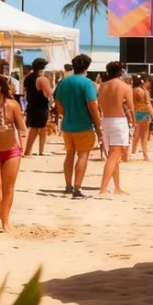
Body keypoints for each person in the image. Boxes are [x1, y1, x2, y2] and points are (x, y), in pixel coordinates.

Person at [53, 54, 101, 199]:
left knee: (69, 154)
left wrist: (65, 113)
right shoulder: (88, 83)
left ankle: (68, 185)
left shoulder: (64, 82)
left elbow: (57, 103)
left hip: (67, 125)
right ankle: (77, 188)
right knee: (83, 155)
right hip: (83, 125)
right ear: (87, 67)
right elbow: (92, 104)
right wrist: (98, 124)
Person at [0, 74, 27, 232]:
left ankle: (5, 221)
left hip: (12, 151)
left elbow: (21, 127)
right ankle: (4, 217)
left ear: (1, 87)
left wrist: (23, 146)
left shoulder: (12, 105)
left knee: (9, 188)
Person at [97, 61, 134, 195]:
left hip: (106, 120)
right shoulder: (125, 87)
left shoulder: (102, 86)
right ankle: (103, 189)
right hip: (119, 121)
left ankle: (117, 187)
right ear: (120, 71)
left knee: (113, 155)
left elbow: (99, 104)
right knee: (115, 155)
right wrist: (133, 122)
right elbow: (131, 107)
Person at [23, 57, 53, 156]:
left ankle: (41, 150)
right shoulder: (42, 79)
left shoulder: (27, 78)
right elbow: (49, 93)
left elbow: (25, 92)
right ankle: (28, 151)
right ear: (43, 68)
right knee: (35, 128)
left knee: (41, 128)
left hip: (31, 104)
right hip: (41, 106)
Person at [130, 74, 153, 162]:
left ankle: (133, 151)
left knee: (136, 134)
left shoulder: (131, 90)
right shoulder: (144, 91)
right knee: (144, 136)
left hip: (134, 112)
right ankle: (145, 154)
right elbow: (148, 105)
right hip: (144, 113)